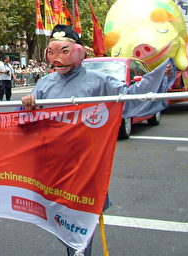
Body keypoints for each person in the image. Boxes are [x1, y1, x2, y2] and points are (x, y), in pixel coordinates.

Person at [21, 25, 174, 256]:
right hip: (55, 165)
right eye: (52, 52)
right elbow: (25, 122)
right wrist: (27, 104)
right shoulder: (45, 83)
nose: (57, 58)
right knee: (61, 220)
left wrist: (162, 72)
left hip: (87, 165)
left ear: (78, 52)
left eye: (64, 50)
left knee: (83, 223)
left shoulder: (99, 81)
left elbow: (129, 98)